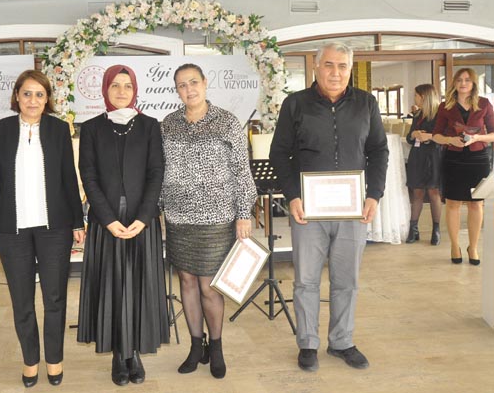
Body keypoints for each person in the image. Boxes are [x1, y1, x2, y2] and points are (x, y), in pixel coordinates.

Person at [270, 42, 388, 372]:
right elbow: (279, 153)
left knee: (346, 280)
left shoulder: (366, 103)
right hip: (308, 210)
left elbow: (378, 151)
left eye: (342, 66)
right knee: (306, 280)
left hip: (353, 209)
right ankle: (307, 343)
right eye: (329, 65)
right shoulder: (295, 104)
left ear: (350, 70)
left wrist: (374, 195)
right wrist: (293, 195)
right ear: (316, 67)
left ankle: (341, 341)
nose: (336, 72)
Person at [0, 70, 84, 388]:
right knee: (22, 300)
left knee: (55, 298)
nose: (33, 100)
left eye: (40, 94)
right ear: (17, 96)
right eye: (27, 93)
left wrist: (78, 221)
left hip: (54, 227)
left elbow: (68, 177)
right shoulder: (1, 130)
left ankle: (54, 360)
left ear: (47, 99)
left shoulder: (58, 129)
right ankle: (30, 361)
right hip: (12, 229)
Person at [161, 63, 257, 379]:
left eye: (193, 82)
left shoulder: (227, 122)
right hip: (178, 217)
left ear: (204, 83)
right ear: (177, 91)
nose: (188, 89)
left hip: (216, 218)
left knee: (209, 286)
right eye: (182, 85)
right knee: (186, 281)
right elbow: (160, 170)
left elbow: (242, 171)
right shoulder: (168, 124)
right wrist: (159, 208)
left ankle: (215, 348)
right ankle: (195, 346)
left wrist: (244, 213)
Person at [77, 65, 169, 386]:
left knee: (139, 286)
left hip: (142, 222)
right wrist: (108, 219)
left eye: (127, 85)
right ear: (105, 89)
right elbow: (88, 176)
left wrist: (144, 218)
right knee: (112, 287)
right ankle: (119, 353)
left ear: (135, 90)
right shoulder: (91, 128)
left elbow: (156, 172)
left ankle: (136, 352)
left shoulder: (149, 126)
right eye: (114, 85)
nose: (121, 91)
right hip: (107, 224)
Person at [432, 67, 494, 266]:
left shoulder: (484, 104)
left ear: (473, 83)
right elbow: (436, 135)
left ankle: (473, 247)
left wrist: (477, 138)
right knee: (453, 203)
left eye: (467, 80)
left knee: (476, 203)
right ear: (454, 83)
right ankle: (455, 245)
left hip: (478, 159)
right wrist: (450, 140)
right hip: (453, 159)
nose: (463, 83)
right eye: (459, 80)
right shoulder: (445, 106)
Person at [405, 84, 445, 245]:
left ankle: (436, 230)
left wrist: (428, 136)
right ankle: (413, 229)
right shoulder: (418, 115)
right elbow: (409, 138)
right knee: (417, 193)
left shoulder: (440, 114)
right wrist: (414, 134)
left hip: (433, 156)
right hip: (417, 157)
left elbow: (445, 137)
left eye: (416, 95)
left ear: (424, 97)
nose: (414, 98)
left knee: (434, 192)